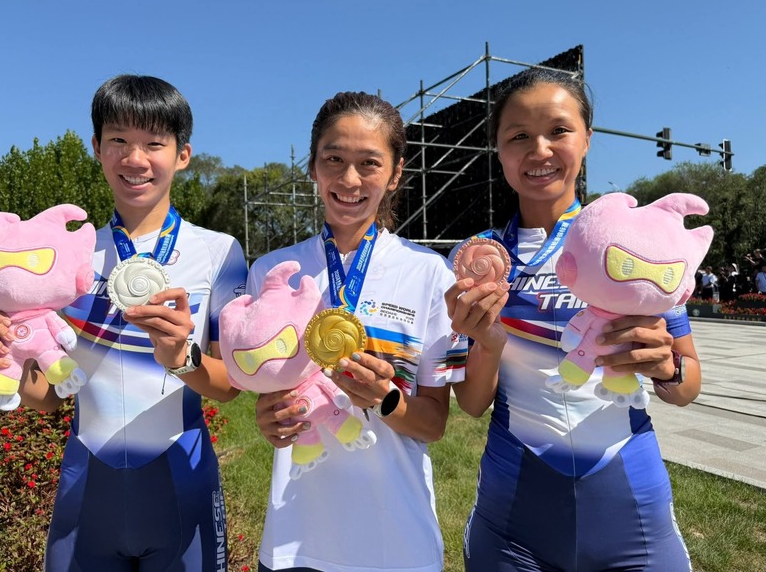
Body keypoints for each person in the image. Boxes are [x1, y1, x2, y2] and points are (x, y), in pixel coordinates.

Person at [0, 75, 246, 571]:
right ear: (96, 147)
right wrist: (1, 358)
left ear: (183, 154)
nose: (134, 159)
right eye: (118, 139)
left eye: (154, 143)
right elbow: (48, 400)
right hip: (86, 489)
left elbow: (229, 388)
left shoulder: (219, 252)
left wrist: (182, 358)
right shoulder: (67, 256)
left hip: (180, 486)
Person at [445, 68, 701, 572]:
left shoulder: (640, 242)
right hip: (513, 519)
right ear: (498, 151)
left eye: (558, 131)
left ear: (586, 138)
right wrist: (488, 343)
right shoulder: (478, 259)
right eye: (518, 136)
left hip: (632, 508)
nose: (539, 150)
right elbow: (472, 405)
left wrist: (666, 367)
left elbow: (689, 381)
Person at [249, 91, 468, 572]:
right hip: (294, 542)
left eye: (369, 163)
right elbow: (265, 395)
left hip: (397, 544)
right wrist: (268, 418)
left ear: (395, 175)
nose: (349, 179)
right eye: (334, 159)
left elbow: (433, 424)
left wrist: (385, 397)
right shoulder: (272, 273)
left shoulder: (430, 274)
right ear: (313, 167)